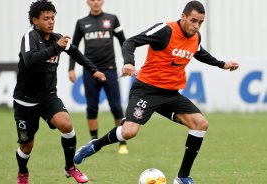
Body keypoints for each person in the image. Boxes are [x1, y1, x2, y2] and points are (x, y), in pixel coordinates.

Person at [73, 1, 239, 184]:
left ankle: (182, 177)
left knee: (200, 124)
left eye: (200, 22)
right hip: (146, 90)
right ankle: (95, 145)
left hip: (170, 94)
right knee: (129, 132)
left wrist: (222, 64)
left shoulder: (195, 37)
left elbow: (199, 52)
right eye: (193, 21)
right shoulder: (165, 30)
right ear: (183, 16)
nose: (196, 26)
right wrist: (129, 62)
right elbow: (131, 42)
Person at [13, 0, 106, 183]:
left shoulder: (57, 38)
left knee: (66, 124)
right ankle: (23, 172)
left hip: (48, 97)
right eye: (46, 18)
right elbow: (30, 60)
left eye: (53, 18)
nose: (51, 22)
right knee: (26, 146)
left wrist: (93, 70)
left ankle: (70, 166)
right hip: (25, 102)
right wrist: (56, 47)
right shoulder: (30, 36)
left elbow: (76, 53)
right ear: (35, 20)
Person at [68, 0, 129, 154]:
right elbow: (73, 47)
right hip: (90, 71)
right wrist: (71, 68)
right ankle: (93, 140)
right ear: (88, 2)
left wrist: (127, 62)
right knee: (92, 108)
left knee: (116, 107)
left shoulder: (112, 19)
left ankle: (122, 142)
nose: (95, 2)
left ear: (102, 1)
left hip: (109, 70)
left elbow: (124, 42)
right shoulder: (81, 23)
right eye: (92, 0)